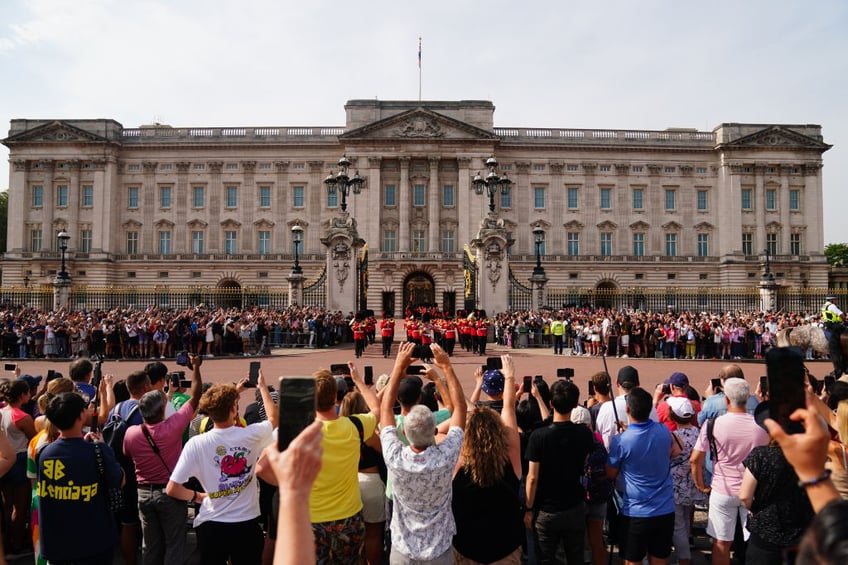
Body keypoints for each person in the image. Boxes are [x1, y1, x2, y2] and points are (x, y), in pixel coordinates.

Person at [166, 370, 277, 565]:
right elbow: (273, 419)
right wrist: (262, 387)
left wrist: (197, 496)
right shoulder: (249, 435)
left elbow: (172, 488)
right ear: (234, 410)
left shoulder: (197, 443)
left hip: (212, 524)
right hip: (246, 524)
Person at [380, 341, 467, 564]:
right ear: (434, 430)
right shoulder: (446, 457)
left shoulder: (395, 457)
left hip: (403, 550)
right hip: (439, 550)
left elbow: (385, 409)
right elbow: (460, 410)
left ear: (406, 432)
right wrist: (446, 368)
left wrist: (398, 368)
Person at [123, 353, 202, 565]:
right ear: (162, 410)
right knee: (175, 544)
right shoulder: (172, 427)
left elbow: (127, 454)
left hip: (143, 493)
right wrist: (196, 368)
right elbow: (195, 398)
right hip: (170, 493)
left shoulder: (131, 433)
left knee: (150, 545)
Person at [37, 391, 125, 564]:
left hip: (57, 543)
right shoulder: (96, 450)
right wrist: (103, 449)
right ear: (81, 416)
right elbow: (120, 480)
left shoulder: (45, 452)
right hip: (93, 543)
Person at [452, 354, 523, 564]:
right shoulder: (510, 460)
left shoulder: (458, 464)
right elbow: (508, 408)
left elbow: (459, 409)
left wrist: (446, 375)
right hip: (505, 549)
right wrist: (509, 377)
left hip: (467, 549)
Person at [690, 378, 769, 565]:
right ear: (748, 398)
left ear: (726, 399)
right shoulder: (761, 426)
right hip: (753, 491)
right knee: (755, 542)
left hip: (722, 489)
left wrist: (701, 485)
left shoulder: (713, 424)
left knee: (721, 543)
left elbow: (695, 459)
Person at [606, 387, 680, 565]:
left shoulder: (621, 441)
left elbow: (610, 473)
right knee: (660, 559)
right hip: (664, 510)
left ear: (627, 410)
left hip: (636, 512)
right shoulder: (663, 431)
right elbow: (675, 449)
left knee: (632, 561)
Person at [525, 379, 595, 565]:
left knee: (546, 559)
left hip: (546, 510)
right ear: (575, 404)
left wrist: (528, 508)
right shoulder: (584, 433)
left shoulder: (538, 437)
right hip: (574, 505)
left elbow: (532, 477)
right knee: (575, 557)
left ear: (551, 403)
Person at [261, 420, 325, 565]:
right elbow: (260, 468)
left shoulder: (281, 431)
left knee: (278, 537)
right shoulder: (314, 431)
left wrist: (284, 483)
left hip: (287, 493)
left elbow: (260, 468)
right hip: (297, 495)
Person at [0, 378, 37, 557]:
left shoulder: (2, 411)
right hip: (20, 460)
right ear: (22, 395)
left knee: (7, 504)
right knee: (20, 507)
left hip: (4, 458)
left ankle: (6, 541)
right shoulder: (22, 417)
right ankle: (16, 543)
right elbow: (34, 439)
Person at [595, 366, 659, 449]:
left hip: (611, 457)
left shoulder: (606, 407)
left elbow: (598, 434)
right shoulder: (650, 407)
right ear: (638, 384)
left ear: (617, 384)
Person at [822, 294, 846, 377]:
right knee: (835, 347)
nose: (836, 301)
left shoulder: (824, 305)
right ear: (832, 300)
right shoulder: (832, 306)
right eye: (835, 299)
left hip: (828, 325)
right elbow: (841, 314)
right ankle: (839, 367)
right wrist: (845, 320)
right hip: (834, 326)